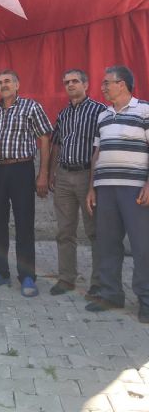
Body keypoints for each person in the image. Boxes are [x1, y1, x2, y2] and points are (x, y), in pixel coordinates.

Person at [85, 66, 149, 324]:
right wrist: (92, 187)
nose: (102, 87)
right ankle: (111, 294)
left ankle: (146, 300)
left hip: (135, 189)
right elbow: (97, 154)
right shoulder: (103, 115)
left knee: (142, 246)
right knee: (108, 244)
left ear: (122, 84)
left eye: (106, 83)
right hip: (105, 189)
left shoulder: (144, 110)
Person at [0, 69, 52, 297]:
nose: (3, 85)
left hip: (21, 169)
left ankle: (27, 276)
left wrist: (43, 173)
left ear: (17, 85)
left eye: (8, 81)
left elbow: (44, 138)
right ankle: (0, 271)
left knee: (24, 223)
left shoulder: (31, 107)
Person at [48, 69, 105, 297]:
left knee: (95, 231)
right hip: (63, 175)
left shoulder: (99, 111)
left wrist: (94, 181)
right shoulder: (63, 114)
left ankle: (99, 283)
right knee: (65, 231)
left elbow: (102, 147)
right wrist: (51, 172)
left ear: (86, 84)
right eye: (66, 82)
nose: (70, 85)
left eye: (75, 81)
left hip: (87, 176)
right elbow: (56, 143)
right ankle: (66, 278)